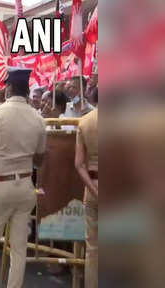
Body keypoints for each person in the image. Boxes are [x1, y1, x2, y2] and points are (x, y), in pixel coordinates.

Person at [0, 67, 47, 288]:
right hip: (25, 186)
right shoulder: (38, 118)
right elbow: (40, 160)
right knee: (19, 249)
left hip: (1, 186)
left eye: (5, 85)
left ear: (10, 87)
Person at [75, 92, 98, 288]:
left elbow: (79, 164)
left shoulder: (84, 122)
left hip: (92, 189)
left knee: (92, 249)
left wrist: (92, 187)